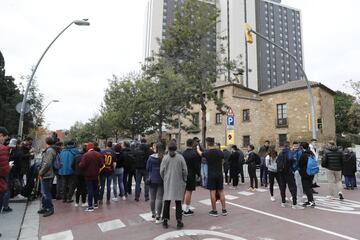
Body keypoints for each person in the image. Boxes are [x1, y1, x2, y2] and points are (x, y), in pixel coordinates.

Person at [197, 137, 227, 217]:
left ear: (207, 144)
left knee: (212, 192)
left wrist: (197, 148)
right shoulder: (220, 152)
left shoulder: (208, 152)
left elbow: (200, 154)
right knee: (221, 191)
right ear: (214, 143)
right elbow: (222, 162)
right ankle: (224, 210)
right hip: (219, 174)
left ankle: (214, 210)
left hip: (211, 175)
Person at [160, 141, 187, 229]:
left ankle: (165, 221)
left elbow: (161, 171)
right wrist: (184, 179)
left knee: (167, 201)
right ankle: (179, 221)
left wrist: (165, 179)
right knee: (178, 202)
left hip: (168, 181)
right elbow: (185, 170)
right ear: (176, 149)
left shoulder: (165, 158)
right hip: (178, 181)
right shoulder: (180, 157)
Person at [277, 141, 303, 209]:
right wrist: (294, 169)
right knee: (293, 188)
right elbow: (292, 159)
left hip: (281, 173)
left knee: (282, 187)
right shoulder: (289, 152)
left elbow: (277, 162)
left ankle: (283, 202)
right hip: (288, 172)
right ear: (289, 146)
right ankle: (294, 204)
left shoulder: (280, 153)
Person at [79, 142, 104, 212]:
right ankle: (95, 204)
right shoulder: (98, 154)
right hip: (96, 175)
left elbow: (82, 165)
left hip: (88, 175)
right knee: (96, 189)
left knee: (90, 190)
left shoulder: (85, 155)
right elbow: (102, 165)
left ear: (88, 148)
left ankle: (90, 206)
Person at [38, 137, 57, 217]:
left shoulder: (49, 151)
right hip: (48, 174)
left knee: (46, 192)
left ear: (46, 142)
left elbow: (47, 163)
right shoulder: (50, 150)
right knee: (44, 192)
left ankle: (50, 208)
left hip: (47, 175)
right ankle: (45, 207)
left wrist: (40, 172)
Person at [146, 143, 165, 223]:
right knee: (159, 198)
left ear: (156, 148)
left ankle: (153, 214)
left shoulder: (151, 158)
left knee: (152, 198)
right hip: (161, 179)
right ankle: (158, 217)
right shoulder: (164, 157)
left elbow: (147, 168)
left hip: (152, 179)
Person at [182, 139, 200, 216]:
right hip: (191, 174)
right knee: (189, 191)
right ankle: (186, 209)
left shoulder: (183, 153)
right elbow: (196, 166)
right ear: (192, 144)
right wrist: (198, 174)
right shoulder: (194, 154)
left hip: (183, 173)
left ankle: (182, 207)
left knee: (183, 191)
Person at [299, 142, 315, 207]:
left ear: (302, 147)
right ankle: (310, 200)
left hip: (305, 173)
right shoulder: (311, 153)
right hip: (312, 172)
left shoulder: (303, 155)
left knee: (306, 187)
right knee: (309, 186)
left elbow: (300, 164)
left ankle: (311, 201)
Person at [0, 127, 12, 215]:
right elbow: (4, 171)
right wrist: (9, 166)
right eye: (5, 138)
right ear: (1, 135)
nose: (5, 140)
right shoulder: (3, 149)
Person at [290, 141, 304, 205]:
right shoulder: (293, 152)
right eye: (294, 146)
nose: (295, 147)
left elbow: (299, 161)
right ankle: (299, 196)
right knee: (297, 184)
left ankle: (299, 197)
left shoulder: (299, 152)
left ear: (298, 146)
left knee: (298, 184)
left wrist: (297, 169)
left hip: (297, 170)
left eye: (296, 146)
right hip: (294, 170)